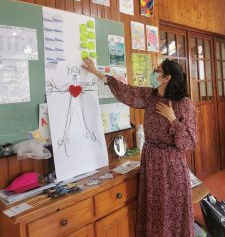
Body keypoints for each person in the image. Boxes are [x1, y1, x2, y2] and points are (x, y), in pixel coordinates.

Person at [82, 57, 197, 237]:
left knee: (170, 208)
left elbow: (189, 142)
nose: (153, 73)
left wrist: (172, 119)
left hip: (171, 165)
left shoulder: (183, 103)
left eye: (157, 71)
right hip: (151, 162)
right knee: (155, 207)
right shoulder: (150, 96)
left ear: (166, 78)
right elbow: (126, 91)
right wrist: (96, 72)